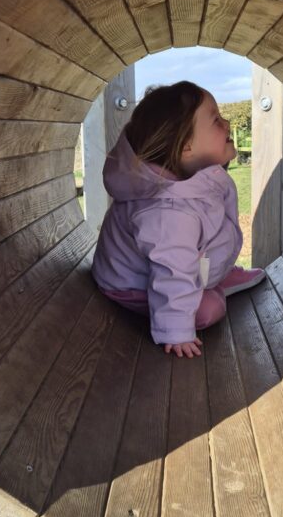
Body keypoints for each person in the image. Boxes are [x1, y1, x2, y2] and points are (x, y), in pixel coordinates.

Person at [91, 81, 265, 358]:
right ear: (186, 147)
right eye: (216, 120)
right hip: (132, 285)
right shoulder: (168, 213)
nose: (228, 122)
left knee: (191, 261)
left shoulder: (196, 178)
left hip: (175, 266)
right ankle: (200, 294)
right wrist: (177, 332)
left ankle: (212, 276)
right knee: (209, 310)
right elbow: (171, 272)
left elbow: (204, 238)